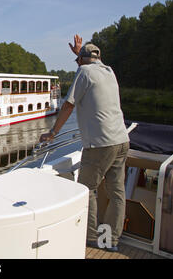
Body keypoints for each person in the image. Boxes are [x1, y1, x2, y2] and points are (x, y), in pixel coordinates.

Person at [39, 35, 130, 252]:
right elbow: (89, 60)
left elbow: (69, 105)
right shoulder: (109, 71)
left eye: (78, 60)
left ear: (81, 61)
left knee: (86, 189)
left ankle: (90, 237)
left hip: (100, 144)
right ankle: (111, 241)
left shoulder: (84, 72)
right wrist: (80, 53)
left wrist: (52, 132)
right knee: (117, 192)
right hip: (122, 140)